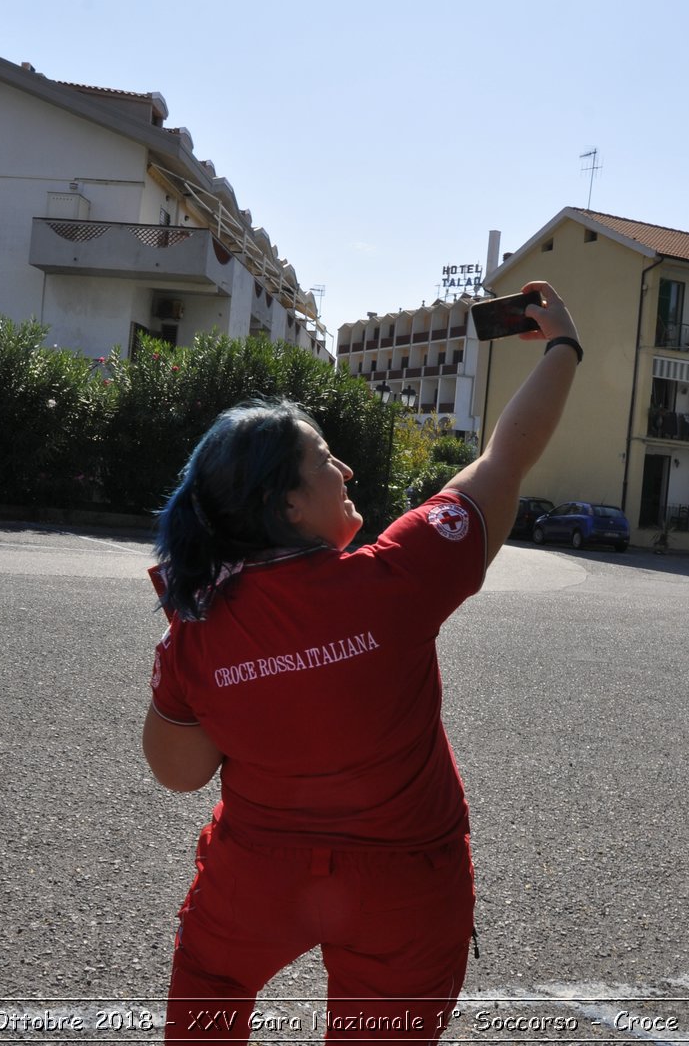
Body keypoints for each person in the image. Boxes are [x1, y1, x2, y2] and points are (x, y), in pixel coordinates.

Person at [143, 280, 582, 1043]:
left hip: (259, 874)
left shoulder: (198, 619)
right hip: (404, 885)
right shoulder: (396, 575)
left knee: (210, 990)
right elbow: (503, 460)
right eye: (322, 459)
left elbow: (178, 769)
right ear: (287, 505)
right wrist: (562, 348)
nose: (344, 468)